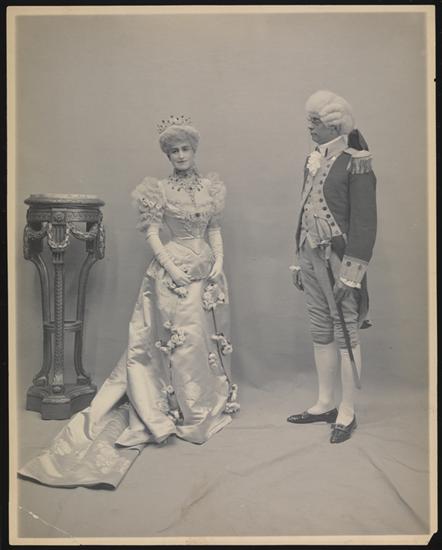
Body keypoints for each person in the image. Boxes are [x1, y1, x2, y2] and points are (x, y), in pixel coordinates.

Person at [19, 116, 239, 488]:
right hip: (173, 272)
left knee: (203, 340)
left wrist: (219, 261)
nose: (180, 155)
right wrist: (171, 267)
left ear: (194, 150)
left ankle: (201, 404)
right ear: (167, 155)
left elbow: (214, 228)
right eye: (174, 151)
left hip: (206, 273)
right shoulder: (158, 190)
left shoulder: (210, 188)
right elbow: (152, 233)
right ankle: (176, 406)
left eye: (185, 149)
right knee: (180, 341)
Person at [287, 91, 377, 443]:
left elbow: (365, 224)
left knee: (345, 331)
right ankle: (325, 403)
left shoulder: (357, 163)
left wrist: (351, 275)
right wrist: (298, 259)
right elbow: (304, 208)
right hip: (309, 255)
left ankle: (347, 411)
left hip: (338, 260)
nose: (309, 127)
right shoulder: (311, 159)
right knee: (320, 328)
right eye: (309, 120)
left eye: (316, 122)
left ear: (335, 125)